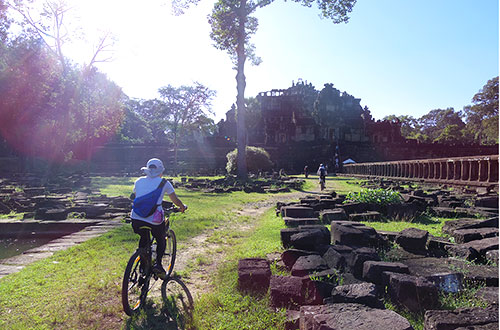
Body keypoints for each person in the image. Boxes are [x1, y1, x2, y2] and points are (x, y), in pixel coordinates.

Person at [130, 158, 186, 279]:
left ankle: (142, 261)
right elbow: (175, 200)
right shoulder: (164, 183)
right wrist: (182, 207)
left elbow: (136, 195)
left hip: (136, 218)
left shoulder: (138, 181)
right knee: (160, 239)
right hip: (154, 220)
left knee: (144, 237)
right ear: (161, 171)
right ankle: (158, 265)